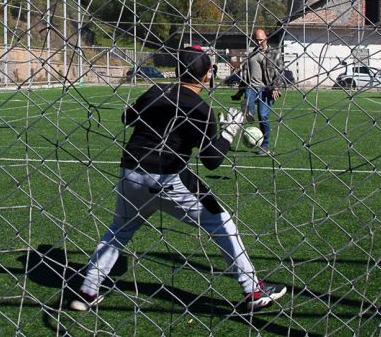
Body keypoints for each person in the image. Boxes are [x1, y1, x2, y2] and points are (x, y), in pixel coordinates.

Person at [67, 45, 286, 313]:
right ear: (207, 75)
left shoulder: (156, 91)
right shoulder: (202, 109)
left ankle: (88, 290)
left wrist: (142, 104)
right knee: (222, 223)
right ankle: (252, 290)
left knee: (119, 230)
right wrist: (228, 133)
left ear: (176, 71)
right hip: (167, 178)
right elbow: (211, 162)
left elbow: (127, 118)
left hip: (131, 171)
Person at [239, 28, 285, 156]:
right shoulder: (252, 54)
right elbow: (245, 74)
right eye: (256, 40)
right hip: (251, 86)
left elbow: (280, 72)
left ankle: (265, 145)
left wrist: (276, 87)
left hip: (266, 89)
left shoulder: (274, 53)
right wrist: (239, 91)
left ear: (266, 37)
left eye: (261, 39)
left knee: (263, 116)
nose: (259, 42)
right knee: (248, 97)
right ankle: (248, 110)